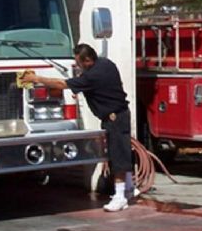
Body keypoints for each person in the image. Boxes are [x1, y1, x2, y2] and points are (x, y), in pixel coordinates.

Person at [20, 43, 132, 212]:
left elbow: (61, 83)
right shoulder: (106, 64)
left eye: (79, 62)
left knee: (118, 156)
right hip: (118, 115)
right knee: (120, 152)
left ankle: (120, 197)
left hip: (114, 118)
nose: (77, 65)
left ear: (87, 60)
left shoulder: (92, 76)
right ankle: (128, 188)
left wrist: (37, 79)